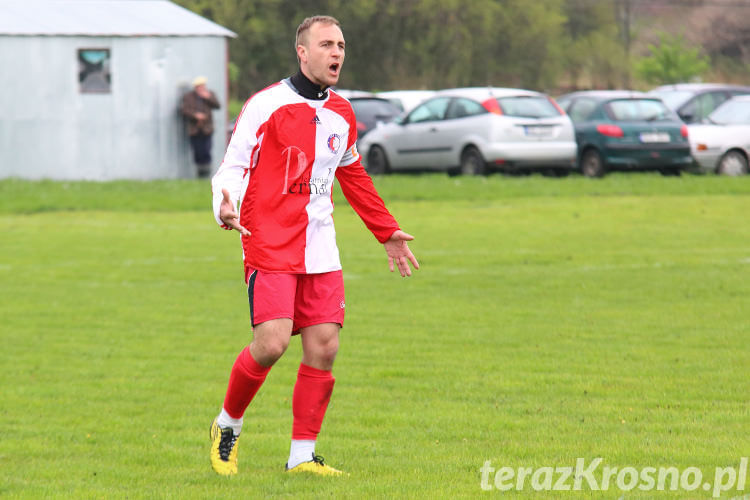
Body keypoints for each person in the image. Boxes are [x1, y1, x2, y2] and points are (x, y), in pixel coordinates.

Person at [208, 15, 419, 477]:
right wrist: (224, 205)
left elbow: (353, 173)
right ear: (302, 52)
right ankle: (228, 424)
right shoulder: (265, 105)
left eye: (341, 45)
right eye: (326, 44)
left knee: (324, 348)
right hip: (268, 240)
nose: (336, 53)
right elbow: (232, 167)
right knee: (272, 343)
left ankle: (302, 456)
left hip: (320, 245)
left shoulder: (342, 112)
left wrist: (387, 231)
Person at [181, 76, 220, 178]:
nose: (201, 88)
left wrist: (208, 98)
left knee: (206, 150)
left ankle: (206, 173)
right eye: (199, 86)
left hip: (207, 129)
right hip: (194, 129)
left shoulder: (209, 94)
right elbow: (184, 110)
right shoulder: (188, 96)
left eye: (203, 86)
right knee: (197, 151)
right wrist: (195, 115)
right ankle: (200, 173)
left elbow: (217, 105)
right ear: (196, 87)